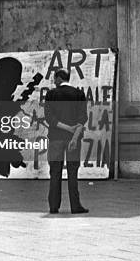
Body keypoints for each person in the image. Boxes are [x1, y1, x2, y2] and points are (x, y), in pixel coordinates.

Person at [44, 68, 89, 214]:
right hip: (73, 140)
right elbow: (83, 118)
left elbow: (49, 119)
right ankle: (75, 206)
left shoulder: (51, 94)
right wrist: (74, 136)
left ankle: (53, 206)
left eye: (54, 78)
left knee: (55, 172)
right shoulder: (79, 94)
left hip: (55, 139)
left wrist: (66, 128)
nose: (53, 81)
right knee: (72, 172)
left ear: (58, 78)